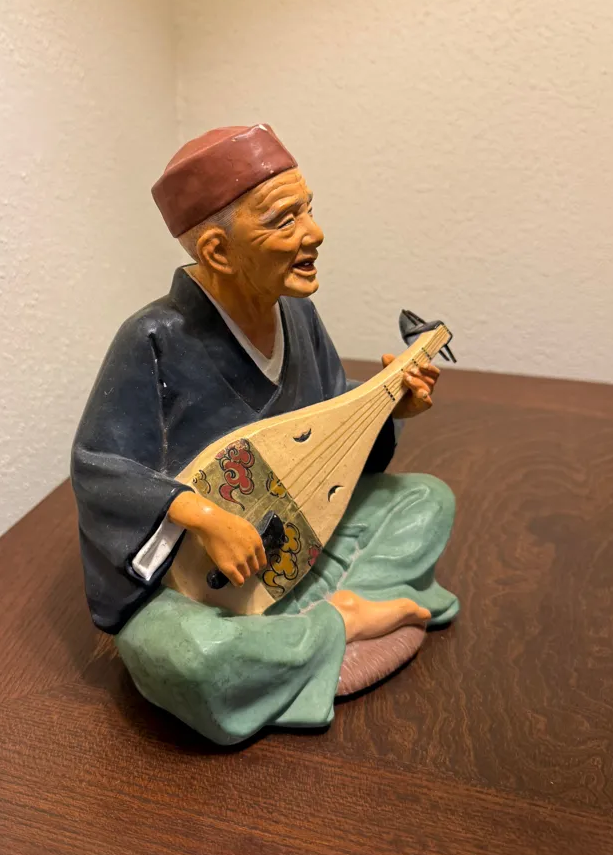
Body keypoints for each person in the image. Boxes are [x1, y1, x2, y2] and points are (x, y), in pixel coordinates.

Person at [72, 124, 458, 744]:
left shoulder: (297, 314)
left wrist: (389, 412)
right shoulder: (151, 340)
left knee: (427, 501)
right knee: (191, 661)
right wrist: (204, 515)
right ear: (219, 251)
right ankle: (342, 621)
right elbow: (99, 468)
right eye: (285, 220)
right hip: (199, 583)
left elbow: (329, 433)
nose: (315, 233)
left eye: (309, 209)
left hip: (301, 537)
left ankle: (297, 635)